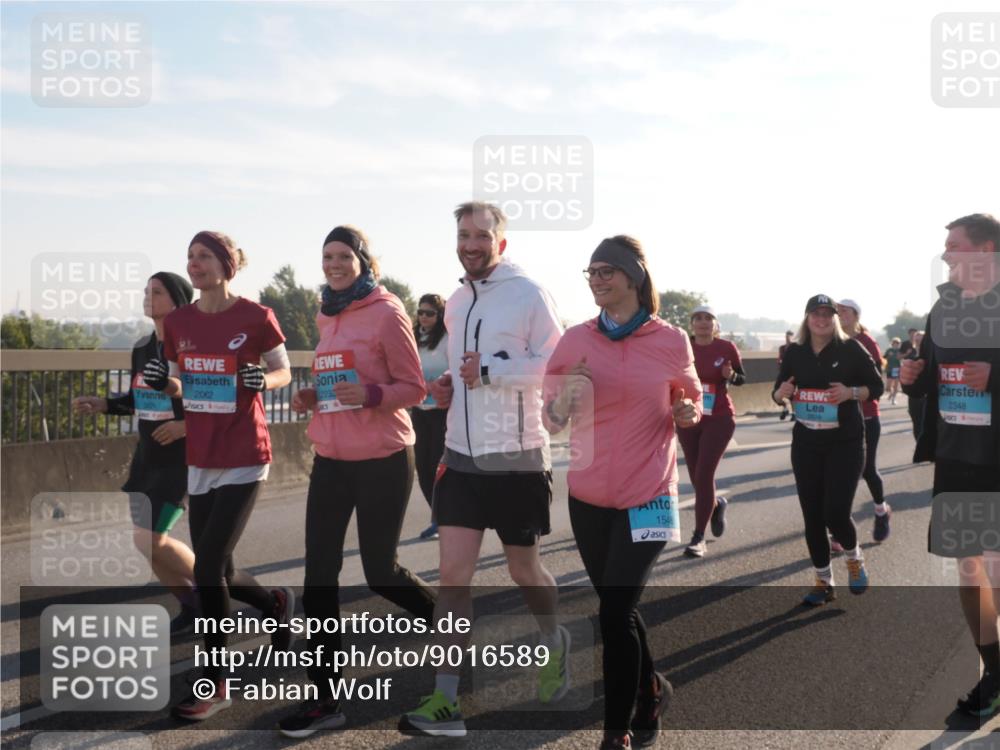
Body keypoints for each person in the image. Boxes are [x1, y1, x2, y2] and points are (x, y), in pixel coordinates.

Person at [398, 202, 565, 738]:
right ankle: (446, 701)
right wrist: (447, 386)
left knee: (524, 573)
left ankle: (553, 640)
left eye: (481, 235)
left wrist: (492, 371)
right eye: (463, 234)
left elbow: (560, 367)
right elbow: (458, 369)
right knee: (452, 578)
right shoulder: (455, 300)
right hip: (460, 458)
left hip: (516, 460)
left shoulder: (529, 294)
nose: (471, 243)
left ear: (501, 242)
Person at [277, 226, 438, 737]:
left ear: (365, 262)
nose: (334, 263)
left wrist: (367, 395)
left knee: (379, 572)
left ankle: (449, 625)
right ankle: (325, 700)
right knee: (317, 581)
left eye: (344, 255)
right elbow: (334, 383)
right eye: (327, 256)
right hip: (330, 459)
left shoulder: (387, 311)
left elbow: (413, 387)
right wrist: (312, 397)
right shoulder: (327, 312)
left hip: (384, 459)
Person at [543, 236, 700, 750]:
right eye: (591, 272)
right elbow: (551, 416)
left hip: (650, 493)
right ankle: (652, 689)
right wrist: (565, 396)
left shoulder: (670, 339)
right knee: (621, 610)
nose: (596, 279)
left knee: (612, 612)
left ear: (634, 276)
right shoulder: (575, 340)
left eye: (607, 270)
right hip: (588, 498)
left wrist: (687, 413)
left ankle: (617, 734)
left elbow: (694, 398)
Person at [144, 231, 295, 721]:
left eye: (204, 256)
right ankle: (272, 602)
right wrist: (158, 381)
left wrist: (262, 380)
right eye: (189, 256)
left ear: (226, 265)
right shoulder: (180, 322)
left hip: (246, 453)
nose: (194, 263)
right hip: (201, 456)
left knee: (206, 568)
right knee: (221, 569)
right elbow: (175, 380)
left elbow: (283, 373)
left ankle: (215, 683)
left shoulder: (256, 316)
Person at [901, 213, 1000, 718]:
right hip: (957, 456)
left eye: (954, 246)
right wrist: (914, 376)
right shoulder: (946, 306)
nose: (946, 254)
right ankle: (995, 670)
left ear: (985, 251)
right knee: (969, 571)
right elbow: (934, 378)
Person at [72, 272, 198, 635]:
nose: (147, 297)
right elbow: (139, 399)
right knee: (145, 543)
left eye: (156, 292)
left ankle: (214, 588)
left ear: (178, 301)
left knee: (150, 537)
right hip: (147, 459)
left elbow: (212, 399)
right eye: (145, 291)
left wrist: (184, 427)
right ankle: (192, 605)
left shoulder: (189, 349)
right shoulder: (142, 348)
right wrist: (103, 404)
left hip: (181, 458)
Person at [771, 295, 884, 605]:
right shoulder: (795, 352)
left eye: (827, 314)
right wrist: (780, 394)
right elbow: (779, 389)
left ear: (834, 318)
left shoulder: (850, 348)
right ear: (807, 318)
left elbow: (878, 386)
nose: (821, 319)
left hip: (845, 443)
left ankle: (854, 558)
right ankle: (823, 581)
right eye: (815, 314)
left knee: (835, 512)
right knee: (812, 516)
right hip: (807, 443)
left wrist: (851, 392)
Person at [677, 305, 744, 558]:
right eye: (698, 319)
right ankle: (716, 506)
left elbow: (742, 378)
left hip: (719, 418)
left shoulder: (726, 348)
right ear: (692, 324)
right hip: (688, 417)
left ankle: (698, 537)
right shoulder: (684, 346)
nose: (703, 323)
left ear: (716, 325)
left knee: (704, 474)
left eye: (708, 319)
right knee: (696, 477)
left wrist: (731, 374)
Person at [837, 299, 891, 543]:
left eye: (845, 311)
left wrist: (852, 388)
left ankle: (881, 510)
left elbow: (876, 380)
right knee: (839, 472)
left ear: (856, 315)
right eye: (837, 311)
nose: (840, 314)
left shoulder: (867, 341)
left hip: (867, 414)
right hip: (839, 416)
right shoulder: (831, 340)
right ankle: (839, 525)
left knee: (867, 469)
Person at [411, 293, 449, 540]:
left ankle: (443, 519)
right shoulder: (412, 336)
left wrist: (440, 381)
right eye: (420, 312)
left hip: (441, 411)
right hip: (419, 409)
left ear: (440, 315)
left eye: (430, 313)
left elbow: (453, 367)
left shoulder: (448, 338)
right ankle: (437, 517)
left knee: (438, 466)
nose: (424, 317)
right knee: (422, 467)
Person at [904, 330, 927, 440]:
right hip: (914, 400)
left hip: (927, 400)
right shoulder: (911, 359)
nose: (918, 340)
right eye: (916, 338)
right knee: (917, 426)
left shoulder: (931, 359)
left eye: (920, 338)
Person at [778, 330, 795, 421]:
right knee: (784, 394)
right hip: (784, 374)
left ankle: (791, 413)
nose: (787, 338)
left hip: (794, 374)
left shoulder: (795, 347)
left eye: (789, 336)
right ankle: (786, 410)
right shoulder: (782, 348)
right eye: (786, 336)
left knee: (792, 394)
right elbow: (779, 359)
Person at [885, 337, 902, 404]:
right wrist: (888, 356)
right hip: (889, 368)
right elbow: (884, 357)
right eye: (894, 343)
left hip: (897, 368)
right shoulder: (889, 350)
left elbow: (903, 358)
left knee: (896, 385)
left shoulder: (900, 351)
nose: (896, 344)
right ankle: (891, 393)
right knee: (888, 387)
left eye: (897, 343)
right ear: (892, 344)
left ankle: (893, 399)